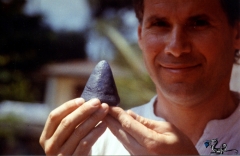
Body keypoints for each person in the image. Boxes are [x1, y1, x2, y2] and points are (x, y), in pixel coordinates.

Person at [39, 0, 240, 155]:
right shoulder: (97, 144)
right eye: (160, 24)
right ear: (141, 36)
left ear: (237, 35)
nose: (176, 48)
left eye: (198, 23)